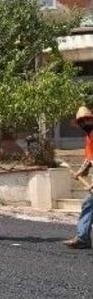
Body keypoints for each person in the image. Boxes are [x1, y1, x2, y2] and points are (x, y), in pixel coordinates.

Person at [63, 106, 93, 249]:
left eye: (85, 120)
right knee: (89, 205)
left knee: (88, 204)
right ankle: (83, 238)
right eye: (80, 121)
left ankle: (83, 238)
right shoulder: (89, 137)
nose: (83, 123)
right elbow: (89, 159)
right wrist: (81, 172)